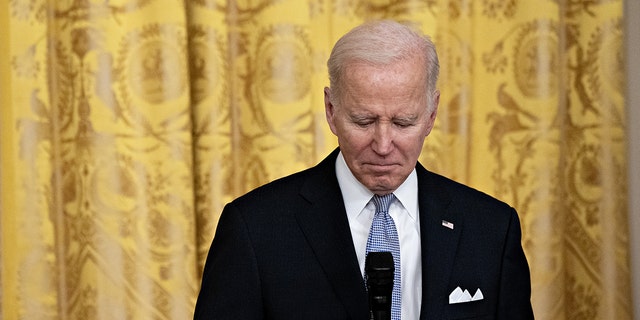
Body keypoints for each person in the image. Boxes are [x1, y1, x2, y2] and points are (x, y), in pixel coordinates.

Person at [193, 20, 534, 319]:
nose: (383, 145)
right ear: (331, 110)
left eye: (403, 122)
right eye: (363, 121)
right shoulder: (255, 229)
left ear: (431, 116)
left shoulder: (491, 229)